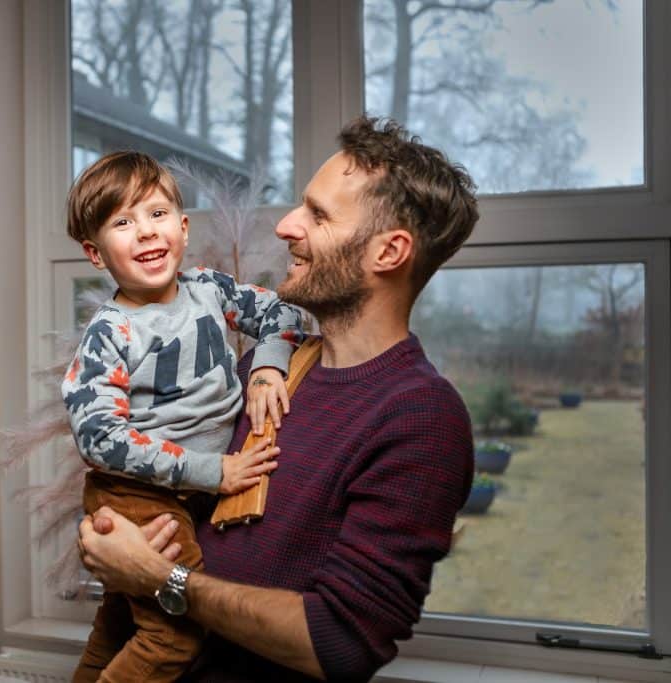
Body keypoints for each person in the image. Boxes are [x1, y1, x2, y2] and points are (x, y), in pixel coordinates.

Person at [77, 116, 480, 682]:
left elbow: (337, 643)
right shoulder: (267, 368)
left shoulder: (421, 418)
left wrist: (159, 580)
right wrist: (115, 539)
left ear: (389, 252)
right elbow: (171, 494)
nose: (288, 226)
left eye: (317, 214)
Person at [61, 151, 306, 682]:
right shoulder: (111, 332)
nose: (146, 232)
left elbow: (286, 312)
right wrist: (213, 472)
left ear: (183, 226)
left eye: (156, 213)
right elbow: (101, 438)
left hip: (182, 496)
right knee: (175, 635)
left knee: (116, 628)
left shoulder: (210, 291)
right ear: (96, 253)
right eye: (122, 222)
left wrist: (267, 366)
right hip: (136, 495)